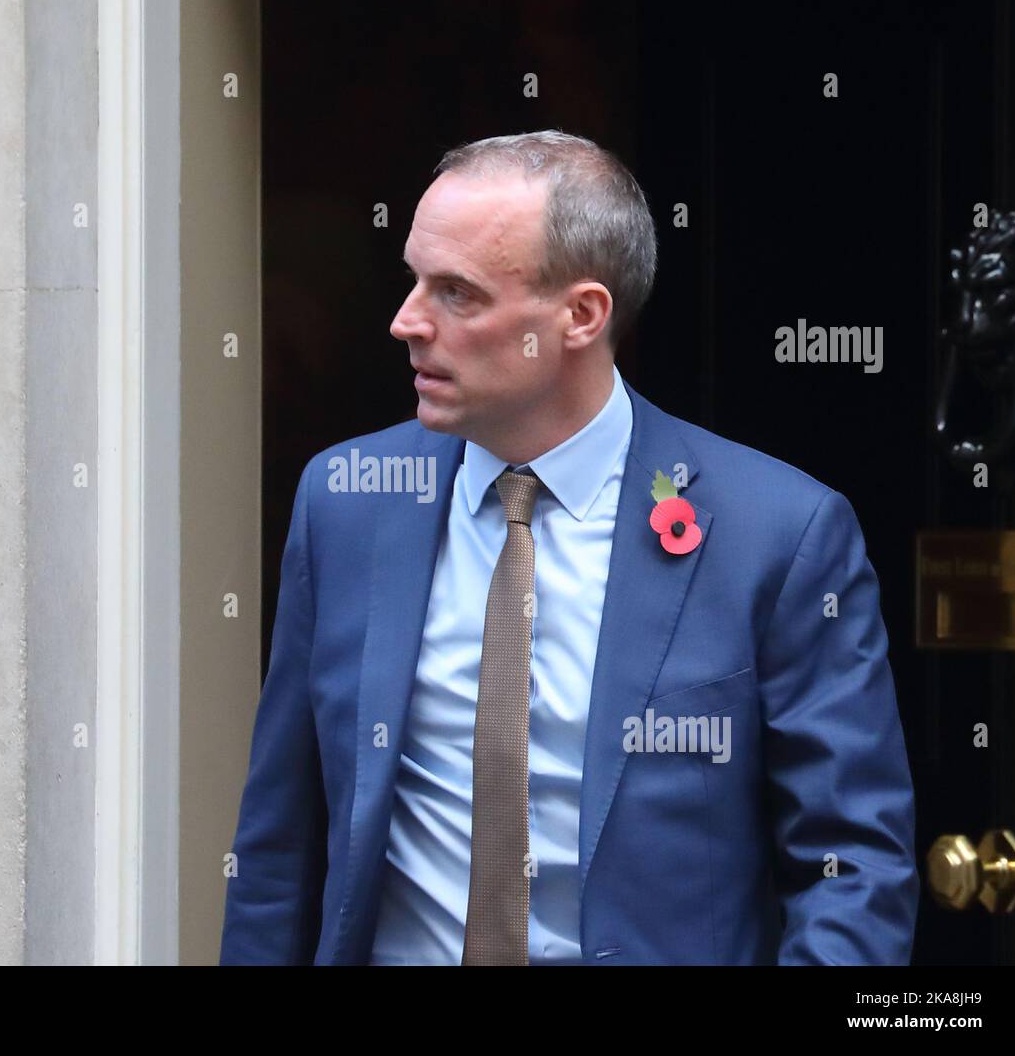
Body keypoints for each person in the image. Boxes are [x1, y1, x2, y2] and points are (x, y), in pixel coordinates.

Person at [220, 129, 918, 965]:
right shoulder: (346, 501)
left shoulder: (780, 533)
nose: (406, 321)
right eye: (414, 279)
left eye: (457, 293)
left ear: (581, 315)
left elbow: (853, 867)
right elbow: (277, 846)